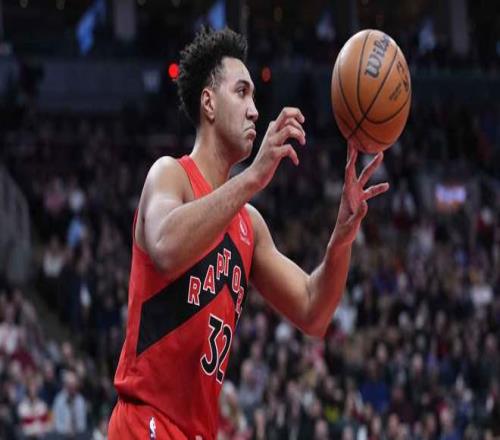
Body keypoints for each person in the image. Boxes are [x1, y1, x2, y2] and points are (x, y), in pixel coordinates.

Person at [108, 27, 388, 439]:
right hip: (143, 421)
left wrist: (341, 238)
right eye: (241, 92)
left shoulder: (248, 226)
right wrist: (253, 177)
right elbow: (166, 247)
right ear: (208, 102)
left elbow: (314, 311)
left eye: (254, 97)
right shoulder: (170, 175)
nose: (255, 110)